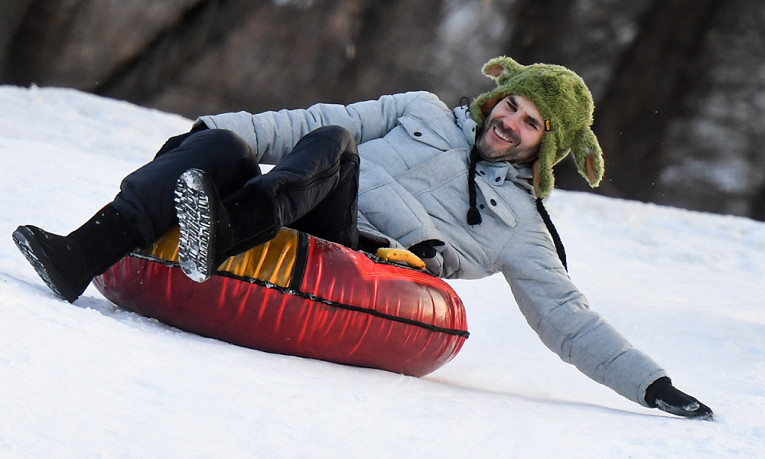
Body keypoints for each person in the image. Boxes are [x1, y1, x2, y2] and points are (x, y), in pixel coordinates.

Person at [12, 56, 713, 420]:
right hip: (292, 195)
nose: (510, 122)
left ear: (548, 145)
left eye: (530, 124)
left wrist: (653, 385)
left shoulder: (523, 225)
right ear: (499, 97)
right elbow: (305, 119)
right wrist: (205, 136)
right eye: (513, 105)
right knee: (234, 143)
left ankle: (219, 237)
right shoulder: (419, 110)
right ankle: (78, 255)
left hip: (353, 242)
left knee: (337, 149)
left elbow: (568, 318)